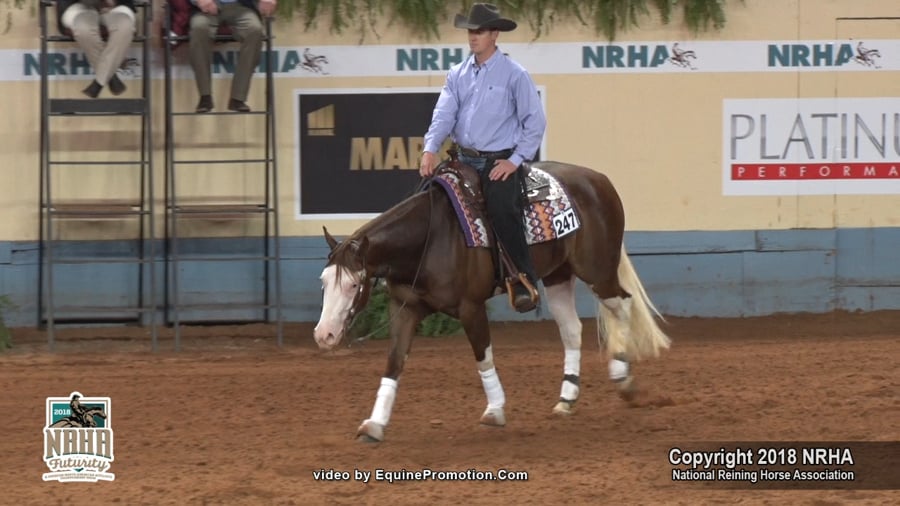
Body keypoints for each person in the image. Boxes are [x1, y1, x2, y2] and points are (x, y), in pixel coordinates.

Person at [419, 3, 546, 313]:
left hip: (497, 161)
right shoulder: (457, 74)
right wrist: (429, 148)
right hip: (462, 159)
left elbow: (535, 122)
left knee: (504, 210)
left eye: (478, 32)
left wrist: (514, 161)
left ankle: (523, 278)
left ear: (494, 35)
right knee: (425, 198)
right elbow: (443, 115)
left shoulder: (515, 75)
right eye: (470, 32)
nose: (472, 37)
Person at [188, 0, 276, 113]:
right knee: (199, 27)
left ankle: (238, 97)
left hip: (241, 6)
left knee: (254, 29)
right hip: (206, 7)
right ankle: (205, 96)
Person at [55, 0, 134, 98]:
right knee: (83, 29)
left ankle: (99, 83)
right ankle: (110, 76)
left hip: (117, 7)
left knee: (125, 26)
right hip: (79, 8)